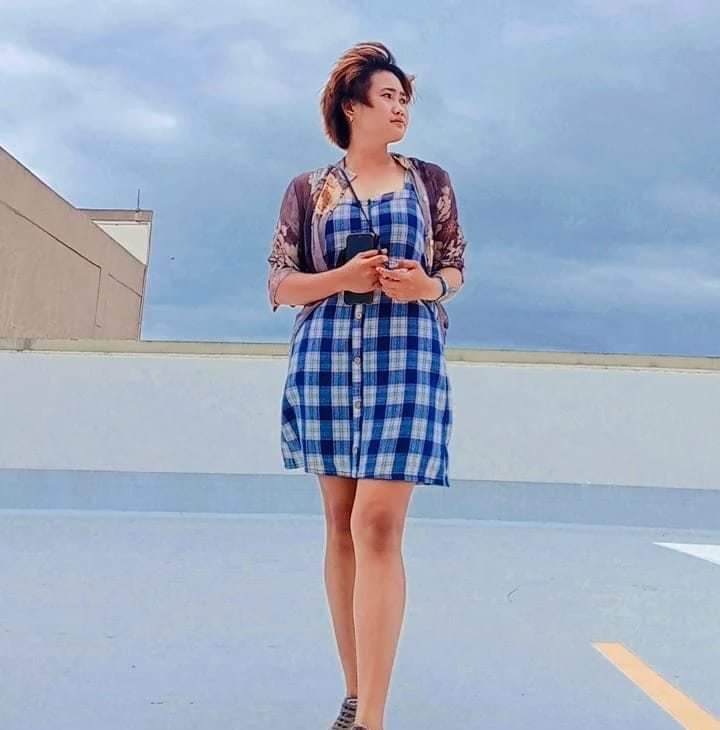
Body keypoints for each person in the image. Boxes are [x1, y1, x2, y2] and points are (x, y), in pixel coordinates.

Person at [267, 41, 467, 730]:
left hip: (407, 358)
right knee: (340, 525)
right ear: (352, 107)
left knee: (377, 523)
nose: (400, 108)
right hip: (326, 358)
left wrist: (427, 285)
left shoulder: (431, 182)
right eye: (388, 96)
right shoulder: (308, 190)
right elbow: (281, 282)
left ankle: (372, 719)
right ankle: (355, 694)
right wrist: (342, 279)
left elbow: (455, 266)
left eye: (405, 98)